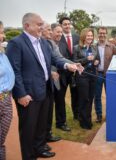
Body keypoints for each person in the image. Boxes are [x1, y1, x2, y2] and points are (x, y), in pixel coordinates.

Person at [6, 13, 79, 159]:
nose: (42, 27)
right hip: (28, 94)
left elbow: (54, 60)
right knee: (28, 129)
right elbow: (15, 71)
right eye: (38, 24)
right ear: (27, 26)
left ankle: (39, 148)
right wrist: (20, 94)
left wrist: (67, 65)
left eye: (42, 24)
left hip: (46, 89)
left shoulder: (44, 43)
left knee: (41, 125)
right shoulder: (16, 43)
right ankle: (29, 156)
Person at [73, 28, 99, 130]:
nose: (90, 37)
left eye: (91, 36)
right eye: (88, 35)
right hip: (82, 76)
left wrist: (97, 62)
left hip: (92, 75)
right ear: (84, 36)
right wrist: (86, 59)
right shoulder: (77, 48)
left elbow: (97, 59)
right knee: (84, 99)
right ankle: (83, 121)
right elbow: (74, 62)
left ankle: (88, 120)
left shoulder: (94, 47)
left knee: (90, 98)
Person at [57, 17, 80, 131]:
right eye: (64, 24)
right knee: (60, 97)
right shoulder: (58, 37)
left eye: (68, 24)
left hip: (75, 72)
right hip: (62, 72)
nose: (67, 26)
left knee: (76, 95)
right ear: (61, 25)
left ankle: (77, 115)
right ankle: (61, 122)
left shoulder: (77, 37)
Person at [94, 27, 116, 123]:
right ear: (98, 34)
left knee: (110, 96)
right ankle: (99, 115)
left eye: (104, 33)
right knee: (97, 96)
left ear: (106, 34)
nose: (102, 35)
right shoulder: (93, 46)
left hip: (109, 75)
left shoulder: (112, 47)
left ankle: (110, 114)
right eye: (100, 33)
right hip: (97, 74)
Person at [0, 22, 15, 160]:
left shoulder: (2, 53)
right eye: (0, 32)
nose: (3, 35)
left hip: (6, 99)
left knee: (1, 140)